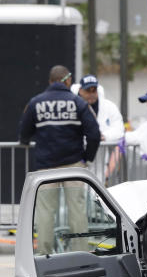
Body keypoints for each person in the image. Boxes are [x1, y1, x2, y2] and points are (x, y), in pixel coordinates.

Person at [18, 65, 101, 254]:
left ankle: (43, 256)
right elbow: (94, 134)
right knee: (77, 212)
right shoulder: (78, 103)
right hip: (73, 166)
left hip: (46, 168)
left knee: (46, 213)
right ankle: (80, 254)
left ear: (50, 81)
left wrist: (26, 140)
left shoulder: (36, 103)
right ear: (68, 80)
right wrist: (86, 159)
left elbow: (24, 133)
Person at [71, 74, 124, 142]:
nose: (91, 94)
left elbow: (119, 129)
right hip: (78, 151)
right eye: (88, 90)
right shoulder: (71, 106)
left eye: (94, 90)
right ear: (80, 91)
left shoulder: (110, 106)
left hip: (102, 151)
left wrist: (103, 136)